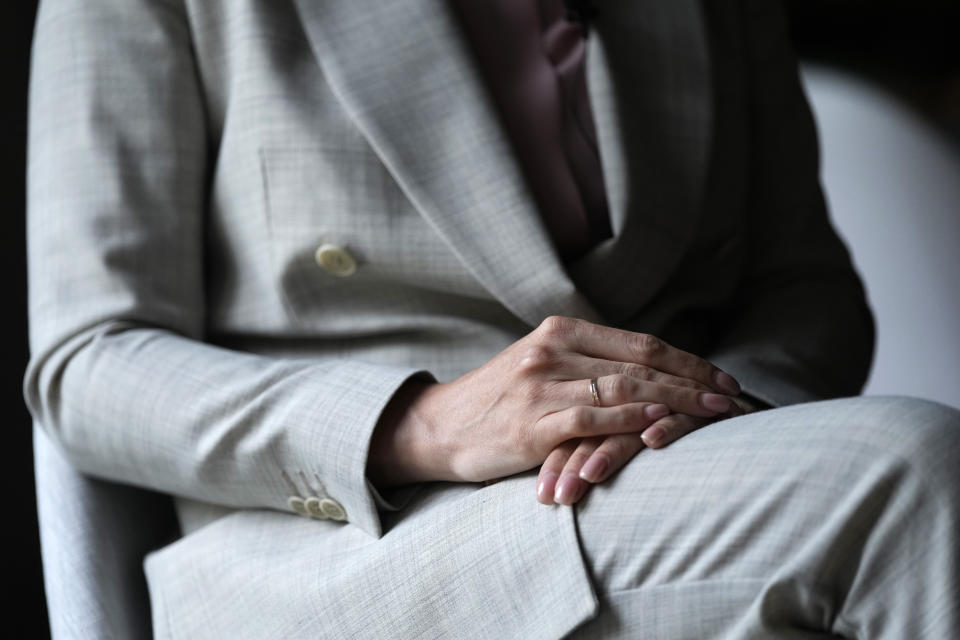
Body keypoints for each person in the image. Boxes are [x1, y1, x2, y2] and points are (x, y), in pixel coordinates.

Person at [24, 0, 960, 638]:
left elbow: (804, 279)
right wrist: (425, 423)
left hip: (666, 473)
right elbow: (90, 362)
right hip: (351, 542)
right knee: (911, 477)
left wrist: (695, 408)